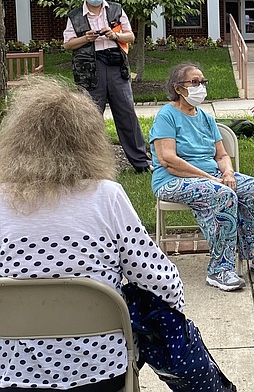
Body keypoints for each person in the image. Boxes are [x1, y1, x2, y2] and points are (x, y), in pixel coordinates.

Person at [0, 75, 184, 391]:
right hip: (101, 370)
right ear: (88, 140)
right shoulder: (106, 197)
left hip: (13, 373)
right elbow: (162, 284)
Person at [149, 62, 254, 292]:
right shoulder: (167, 115)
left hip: (211, 176)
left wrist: (228, 172)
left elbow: (222, 154)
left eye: (202, 82)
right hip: (173, 180)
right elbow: (168, 160)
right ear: (178, 88)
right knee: (222, 194)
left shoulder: (206, 117)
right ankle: (220, 269)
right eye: (194, 82)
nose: (200, 86)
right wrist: (210, 178)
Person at [63, 0, 152, 173]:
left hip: (116, 68)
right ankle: (87, 166)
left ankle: (142, 163)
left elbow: (130, 36)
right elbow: (68, 45)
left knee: (127, 114)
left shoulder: (116, 10)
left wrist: (114, 35)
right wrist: (86, 38)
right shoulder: (75, 16)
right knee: (89, 118)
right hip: (89, 71)